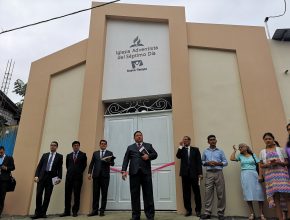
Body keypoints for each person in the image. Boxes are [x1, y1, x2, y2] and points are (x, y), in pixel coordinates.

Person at [121, 131, 158, 220]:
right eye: (137, 135)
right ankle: (135, 216)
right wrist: (123, 171)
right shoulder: (130, 147)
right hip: (134, 174)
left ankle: (150, 216)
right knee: (135, 195)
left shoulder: (148, 145)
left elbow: (155, 154)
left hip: (146, 174)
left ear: (142, 137)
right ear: (134, 138)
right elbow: (126, 159)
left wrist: (148, 156)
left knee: (148, 195)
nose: (139, 137)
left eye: (140, 135)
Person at [230, 143, 265, 220]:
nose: (240, 148)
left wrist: (260, 175)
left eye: (242, 146)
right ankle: (252, 213)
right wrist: (235, 151)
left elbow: (259, 165)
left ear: (246, 147)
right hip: (245, 175)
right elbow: (231, 158)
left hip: (254, 174)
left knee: (259, 194)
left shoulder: (253, 155)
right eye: (239, 147)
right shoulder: (240, 156)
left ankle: (262, 214)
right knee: (247, 193)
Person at [259, 132, 290, 220]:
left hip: (282, 175)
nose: (268, 140)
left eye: (269, 138)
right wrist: (268, 164)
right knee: (276, 199)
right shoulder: (262, 152)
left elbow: (287, 163)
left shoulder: (281, 150)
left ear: (273, 139)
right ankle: (280, 218)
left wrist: (278, 162)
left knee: (287, 197)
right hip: (270, 176)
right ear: (264, 141)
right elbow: (261, 165)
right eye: (266, 139)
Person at [31, 141, 63, 219]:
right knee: (38, 194)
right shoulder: (45, 155)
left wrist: (59, 177)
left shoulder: (59, 156)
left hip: (51, 178)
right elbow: (39, 166)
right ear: (50, 146)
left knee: (47, 196)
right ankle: (37, 213)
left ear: (57, 147)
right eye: (51, 145)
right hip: (42, 177)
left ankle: (43, 213)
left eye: (54, 145)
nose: (52, 146)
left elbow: (60, 168)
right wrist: (36, 176)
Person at [200, 135, 228, 220]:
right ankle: (207, 212)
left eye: (214, 139)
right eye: (210, 140)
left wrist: (217, 163)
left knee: (221, 194)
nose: (212, 141)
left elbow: (225, 162)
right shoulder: (205, 151)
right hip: (209, 173)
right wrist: (208, 163)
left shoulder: (220, 151)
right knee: (208, 193)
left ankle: (221, 213)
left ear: (216, 141)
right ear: (208, 142)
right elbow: (202, 161)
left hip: (218, 172)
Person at [176, 136, 202, 217]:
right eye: (184, 140)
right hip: (185, 175)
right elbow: (178, 156)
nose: (185, 141)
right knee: (186, 193)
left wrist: (200, 173)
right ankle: (188, 210)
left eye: (187, 139)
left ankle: (198, 210)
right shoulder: (182, 149)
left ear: (190, 141)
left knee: (196, 193)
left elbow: (199, 162)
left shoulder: (195, 149)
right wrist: (180, 146)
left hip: (194, 174)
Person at [87, 140, 115, 217]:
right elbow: (92, 164)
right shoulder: (95, 153)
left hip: (105, 176)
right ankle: (95, 211)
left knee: (104, 194)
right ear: (99, 145)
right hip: (96, 176)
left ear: (106, 145)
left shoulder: (110, 153)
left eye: (104, 144)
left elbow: (112, 164)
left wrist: (108, 161)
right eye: (101, 144)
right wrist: (89, 173)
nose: (103, 145)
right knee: (95, 194)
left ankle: (102, 211)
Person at [60, 141, 87, 217]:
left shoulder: (83, 155)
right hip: (69, 178)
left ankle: (75, 211)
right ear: (72, 146)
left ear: (79, 146)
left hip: (78, 178)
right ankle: (67, 211)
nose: (76, 146)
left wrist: (78, 172)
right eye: (74, 145)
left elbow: (84, 166)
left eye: (77, 145)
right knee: (67, 195)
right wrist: (71, 172)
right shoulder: (69, 155)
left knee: (76, 195)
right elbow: (67, 166)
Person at [0, 146, 15, 217]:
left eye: (1, 152)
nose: (0, 153)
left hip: (4, 181)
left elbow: (13, 167)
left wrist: (6, 168)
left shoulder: (9, 158)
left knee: (1, 197)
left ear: (4, 151)